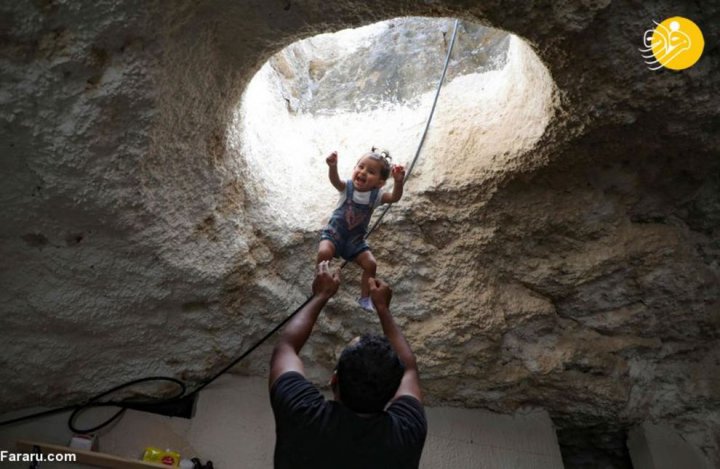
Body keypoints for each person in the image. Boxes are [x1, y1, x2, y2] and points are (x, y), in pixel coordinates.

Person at [269, 261, 426, 469]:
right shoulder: (408, 432)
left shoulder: (301, 412)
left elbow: (285, 347)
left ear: (334, 379)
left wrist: (320, 295)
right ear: (393, 394)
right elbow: (410, 369)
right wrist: (383, 309)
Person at [318, 148, 405, 311]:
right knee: (324, 253)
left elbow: (394, 198)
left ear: (380, 182)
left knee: (371, 264)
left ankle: (365, 299)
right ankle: (321, 286)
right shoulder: (347, 187)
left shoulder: (377, 196)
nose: (363, 172)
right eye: (360, 166)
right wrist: (332, 166)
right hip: (335, 233)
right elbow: (335, 180)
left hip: (355, 241)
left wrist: (398, 182)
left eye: (371, 171)